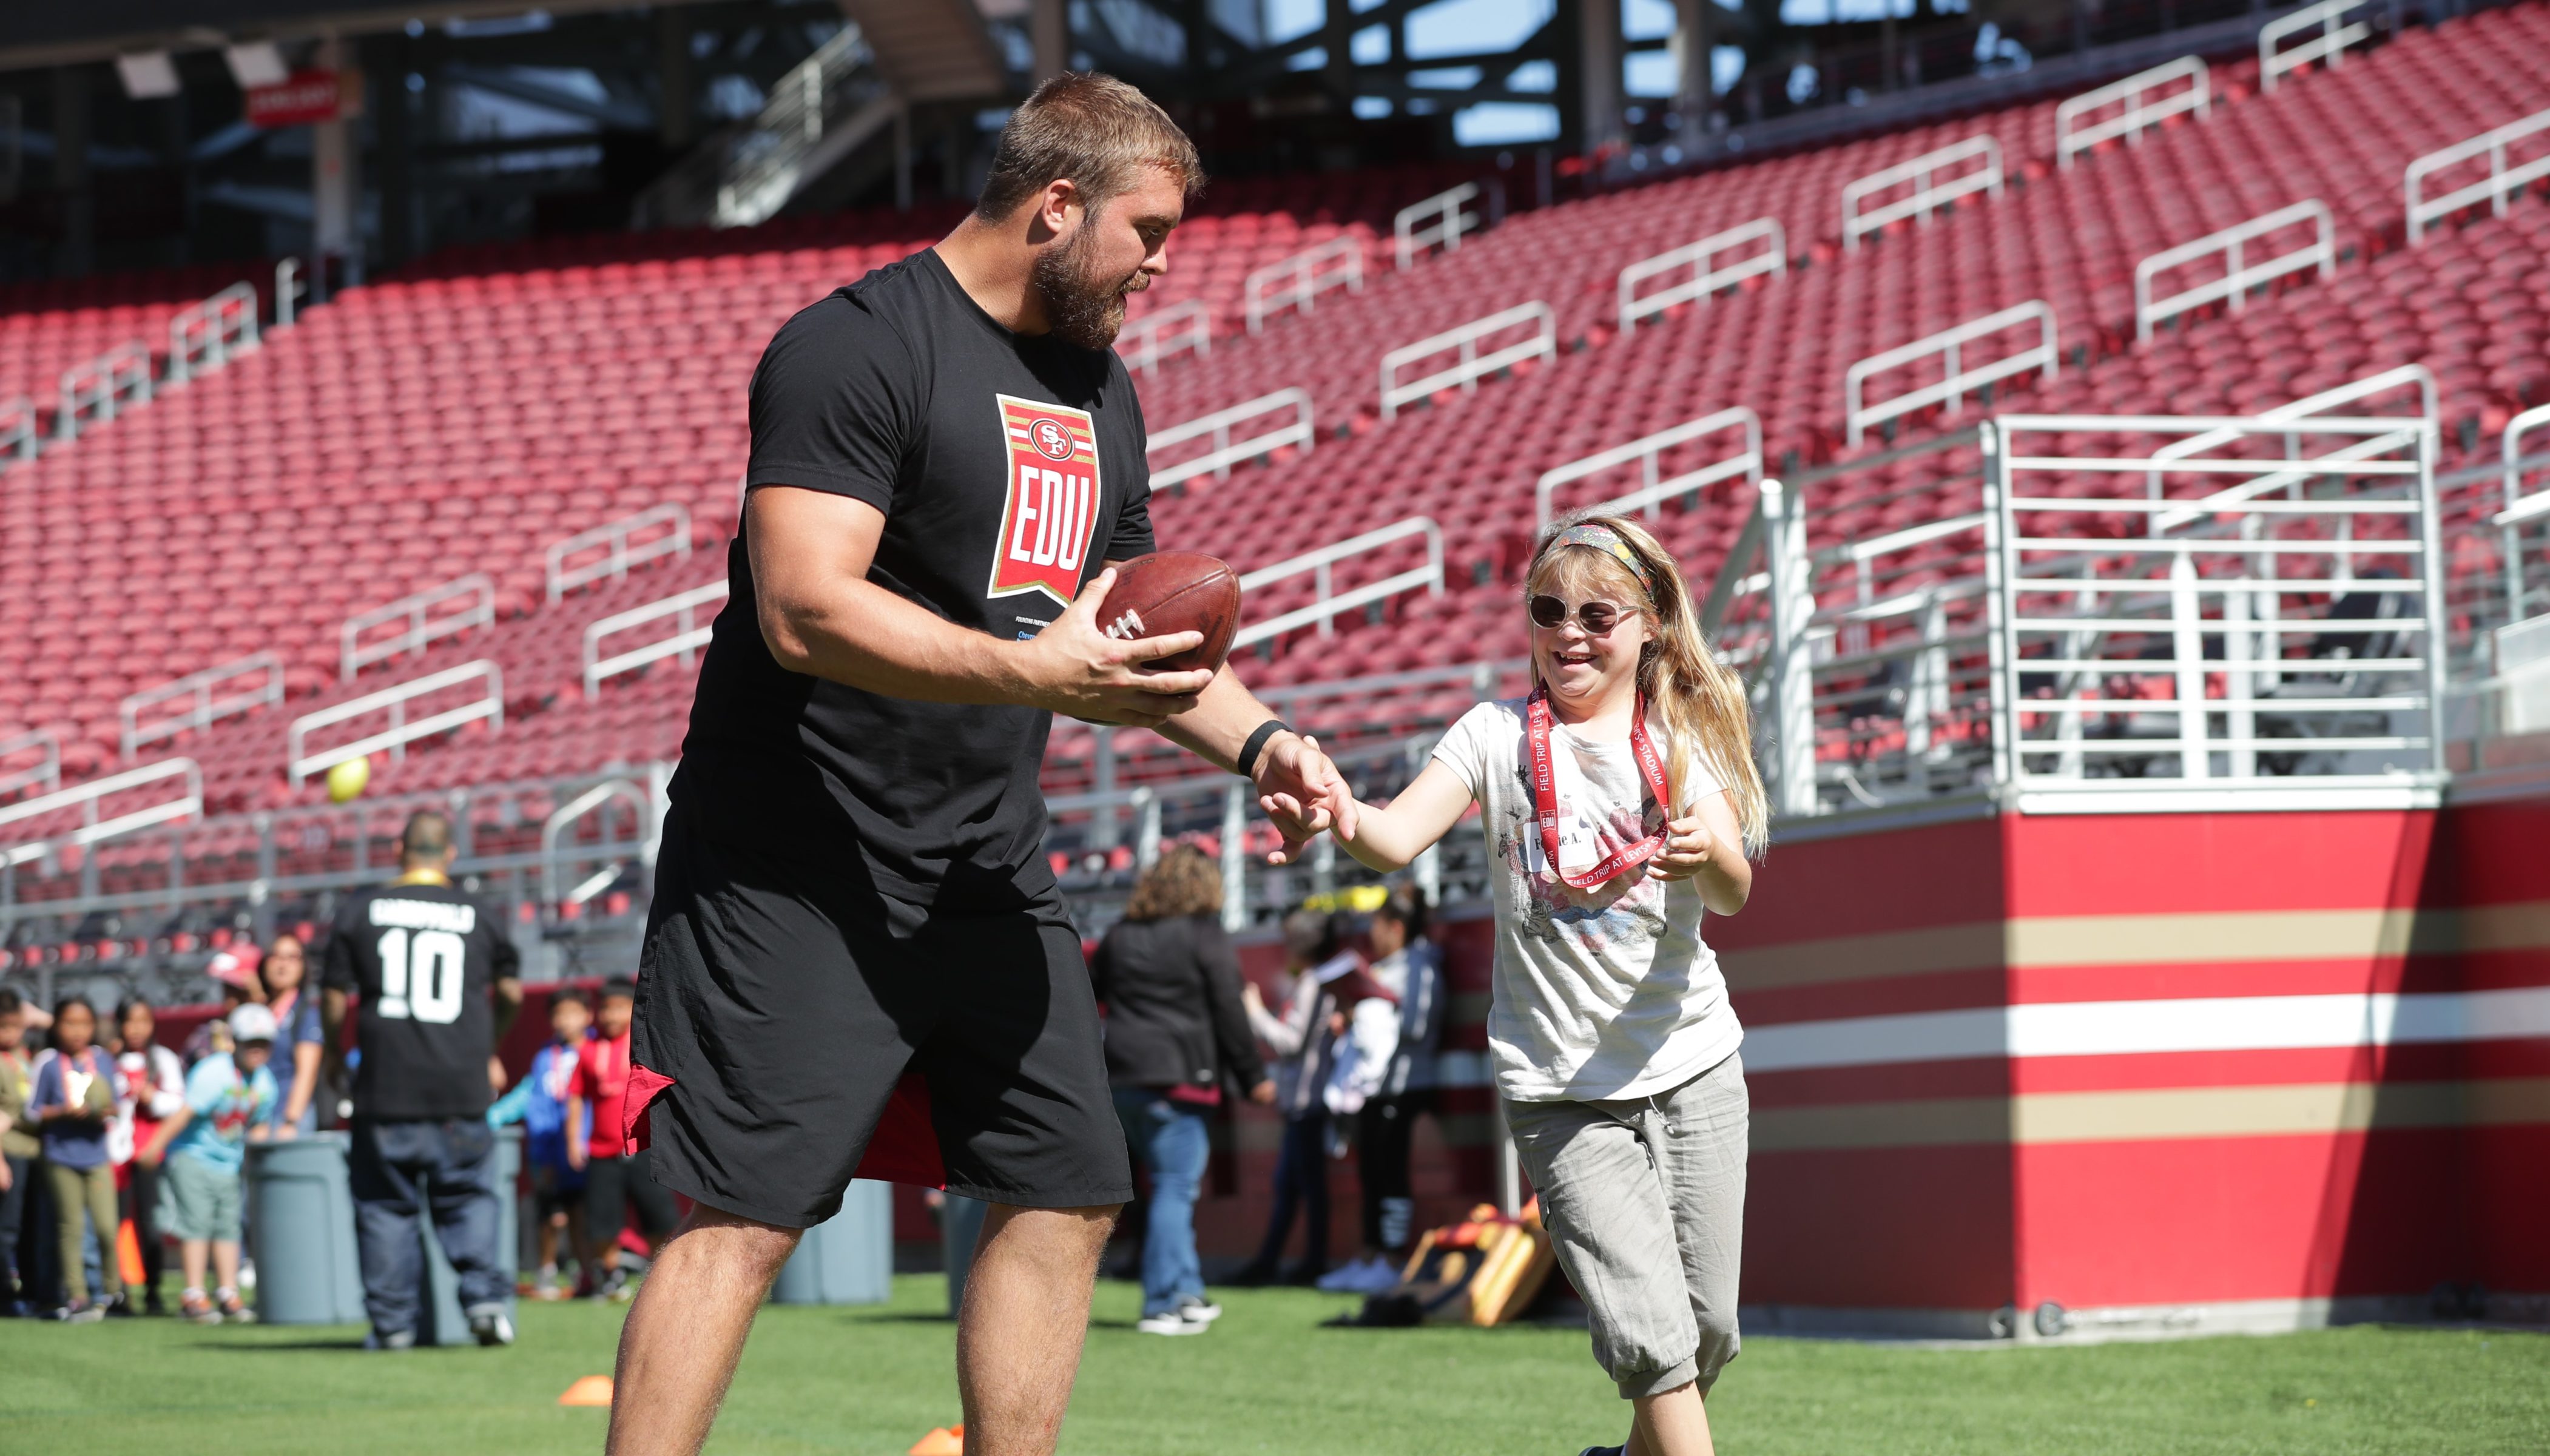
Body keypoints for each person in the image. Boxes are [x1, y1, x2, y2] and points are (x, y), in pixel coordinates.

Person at [605, 72, 1355, 1456]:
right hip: (790, 864)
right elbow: (803, 605)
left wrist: (1266, 741)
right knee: (745, 1215)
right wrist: (1032, 670)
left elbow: (1125, 638)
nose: (1162, 262)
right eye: (1145, 228)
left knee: (1069, 1181)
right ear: (1056, 207)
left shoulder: (1100, 385)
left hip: (983, 858)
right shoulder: (854, 347)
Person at [1326, 516, 1769, 1456]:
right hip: (1559, 1090)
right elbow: (1393, 838)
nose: (1568, 632)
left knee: (1706, 1335)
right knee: (1653, 1348)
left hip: (1692, 1068)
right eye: (1546, 611)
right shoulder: (1490, 736)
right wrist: (1333, 805)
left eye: (1596, 614)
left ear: (1648, 624)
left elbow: (1731, 893)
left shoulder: (1683, 733)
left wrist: (1707, 853)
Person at [319, 809, 525, 1350]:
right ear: (450, 854)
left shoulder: (361, 909)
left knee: (386, 1207)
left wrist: (335, 1057)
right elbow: (511, 994)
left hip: (386, 1087)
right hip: (460, 1085)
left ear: (398, 849)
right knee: (468, 1197)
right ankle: (484, 1302)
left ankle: (392, 1326)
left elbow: (335, 996)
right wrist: (490, 1048)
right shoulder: (479, 912)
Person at [1088, 846, 1275, 1336]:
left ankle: (1187, 1291)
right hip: (1180, 1079)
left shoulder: (1120, 935)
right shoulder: (1203, 934)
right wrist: (1254, 1076)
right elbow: (1229, 1010)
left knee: (1165, 1189)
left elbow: (1092, 996)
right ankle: (1163, 1302)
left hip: (1122, 1078)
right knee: (1176, 1187)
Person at [1318, 887, 1445, 1295]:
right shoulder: (1388, 966)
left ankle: (1392, 1258)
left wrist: (1371, 1009)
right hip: (1373, 1087)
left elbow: (1417, 1027)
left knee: (1392, 1175)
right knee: (1371, 1173)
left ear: (1395, 927)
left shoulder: (1420, 968)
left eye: (1375, 925)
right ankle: (1370, 1255)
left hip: (1404, 1086)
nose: (1370, 934)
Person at [1232, 909, 1357, 1286]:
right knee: (1294, 1186)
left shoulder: (1311, 983)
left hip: (1307, 1100)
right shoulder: (1317, 980)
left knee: (1303, 1187)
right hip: (1306, 1100)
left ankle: (1298, 1263)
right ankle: (1277, 1262)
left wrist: (1254, 1011)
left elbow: (1290, 1043)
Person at [137, 1003, 278, 1324]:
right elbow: (185, 1112)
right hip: (193, 1156)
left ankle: (228, 1292)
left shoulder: (266, 1083)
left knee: (228, 1226)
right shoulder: (214, 1071)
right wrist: (154, 1147)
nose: (257, 1050)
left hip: (229, 1163)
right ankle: (194, 1294)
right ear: (236, 1043)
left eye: (264, 1044)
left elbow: (256, 1126)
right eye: (250, 1043)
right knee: (197, 1225)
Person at [567, 979, 676, 1303]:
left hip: (643, 1147)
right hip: (602, 1151)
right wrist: (574, 1139)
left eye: (619, 1007)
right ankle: (611, 1277)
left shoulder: (644, 1045)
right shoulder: (588, 1050)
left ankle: (662, 1276)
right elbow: (576, 1097)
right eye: (606, 1008)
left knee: (659, 1216)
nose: (612, 1015)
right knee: (602, 1221)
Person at [30, 996, 128, 1320]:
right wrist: (62, 1112)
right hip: (61, 1154)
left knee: (106, 1227)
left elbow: (114, 1104)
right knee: (71, 1227)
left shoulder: (101, 1061)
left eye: (85, 1023)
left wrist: (98, 1110)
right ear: (57, 1026)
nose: (77, 1031)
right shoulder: (48, 1063)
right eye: (70, 1023)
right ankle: (77, 1295)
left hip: (96, 1153)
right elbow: (32, 1112)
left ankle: (113, 1292)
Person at [112, 999, 187, 1315]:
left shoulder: (162, 1059)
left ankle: (153, 1290)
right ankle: (119, 1291)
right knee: (115, 1223)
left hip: (150, 1153)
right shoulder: (109, 1060)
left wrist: (151, 1097)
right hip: (116, 1155)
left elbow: (178, 1104)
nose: (137, 1029)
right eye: (130, 1021)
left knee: (150, 1223)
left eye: (144, 1020)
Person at [520, 988, 593, 1299]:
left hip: (588, 1149)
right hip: (549, 1148)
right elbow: (537, 1104)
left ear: (588, 1015)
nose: (565, 1021)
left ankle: (587, 1272)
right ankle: (547, 1270)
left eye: (572, 1013)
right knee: (551, 1213)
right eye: (558, 1014)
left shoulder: (597, 1049)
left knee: (582, 1213)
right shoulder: (544, 1057)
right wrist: (541, 1151)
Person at [257, 933, 327, 1136]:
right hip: (259, 1119)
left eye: (292, 958)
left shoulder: (306, 1013)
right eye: (276, 957)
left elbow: (307, 1072)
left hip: (287, 1120)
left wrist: (291, 1121)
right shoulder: (259, 1011)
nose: (282, 965)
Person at [0, 988, 38, 1314]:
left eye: (16, 1025)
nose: (10, 1033)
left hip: (33, 1151)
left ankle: (31, 1289)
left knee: (31, 1228)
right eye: (4, 1026)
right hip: (8, 1152)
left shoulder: (27, 1057)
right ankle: (6, 1294)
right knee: (7, 1228)